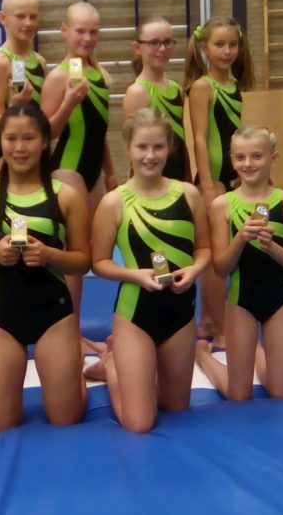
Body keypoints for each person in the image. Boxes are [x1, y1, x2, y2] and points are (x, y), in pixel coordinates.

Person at [0, 103, 89, 433]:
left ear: (45, 141)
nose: (19, 148)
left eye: (29, 138)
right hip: (2, 316)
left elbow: (83, 261)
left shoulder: (66, 197)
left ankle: (84, 375)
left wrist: (49, 255)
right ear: (1, 141)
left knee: (66, 420)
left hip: (54, 315)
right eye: (11, 138)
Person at [89, 108, 211, 433]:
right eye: (142, 147)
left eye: (158, 147)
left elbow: (204, 248)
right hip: (136, 313)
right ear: (128, 147)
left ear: (169, 147)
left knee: (175, 406)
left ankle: (137, 370)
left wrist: (194, 270)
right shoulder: (114, 201)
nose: (150, 155)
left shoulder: (188, 194)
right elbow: (99, 262)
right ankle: (112, 365)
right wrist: (135, 275)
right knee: (140, 423)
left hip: (180, 311)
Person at [195, 125, 283, 401]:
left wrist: (271, 247)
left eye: (257, 156)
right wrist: (240, 239)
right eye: (240, 157)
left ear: (273, 158)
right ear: (232, 161)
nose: (248, 164)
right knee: (238, 394)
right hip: (240, 301)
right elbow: (221, 268)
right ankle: (202, 356)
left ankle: (254, 350)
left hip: (280, 300)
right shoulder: (223, 205)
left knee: (281, 393)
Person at [41, 1, 117, 320]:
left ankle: (74, 326)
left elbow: (99, 130)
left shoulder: (99, 75)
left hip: (94, 173)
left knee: (88, 252)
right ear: (64, 31)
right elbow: (44, 134)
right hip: (67, 169)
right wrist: (68, 104)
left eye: (93, 32)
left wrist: (110, 172)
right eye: (80, 31)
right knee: (73, 254)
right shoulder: (58, 77)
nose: (87, 38)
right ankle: (67, 331)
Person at [184, 16, 255, 346]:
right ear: (205, 47)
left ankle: (212, 320)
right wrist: (208, 182)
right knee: (214, 257)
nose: (227, 51)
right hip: (212, 178)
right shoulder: (203, 86)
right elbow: (199, 137)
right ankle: (215, 323)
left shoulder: (234, 84)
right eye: (219, 45)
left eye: (232, 45)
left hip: (231, 177)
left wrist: (241, 176)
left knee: (226, 254)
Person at [0, 0, 46, 173]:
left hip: (37, 154)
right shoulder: (1, 62)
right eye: (20, 16)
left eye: (33, 16)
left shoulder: (40, 61)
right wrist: (14, 105)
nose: (28, 23)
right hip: (10, 155)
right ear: (2, 18)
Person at [122, 16, 189, 181]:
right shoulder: (137, 92)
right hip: (151, 182)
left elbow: (182, 142)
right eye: (154, 43)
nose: (162, 49)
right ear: (137, 47)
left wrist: (188, 179)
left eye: (167, 42)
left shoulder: (175, 88)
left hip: (178, 179)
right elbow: (135, 148)